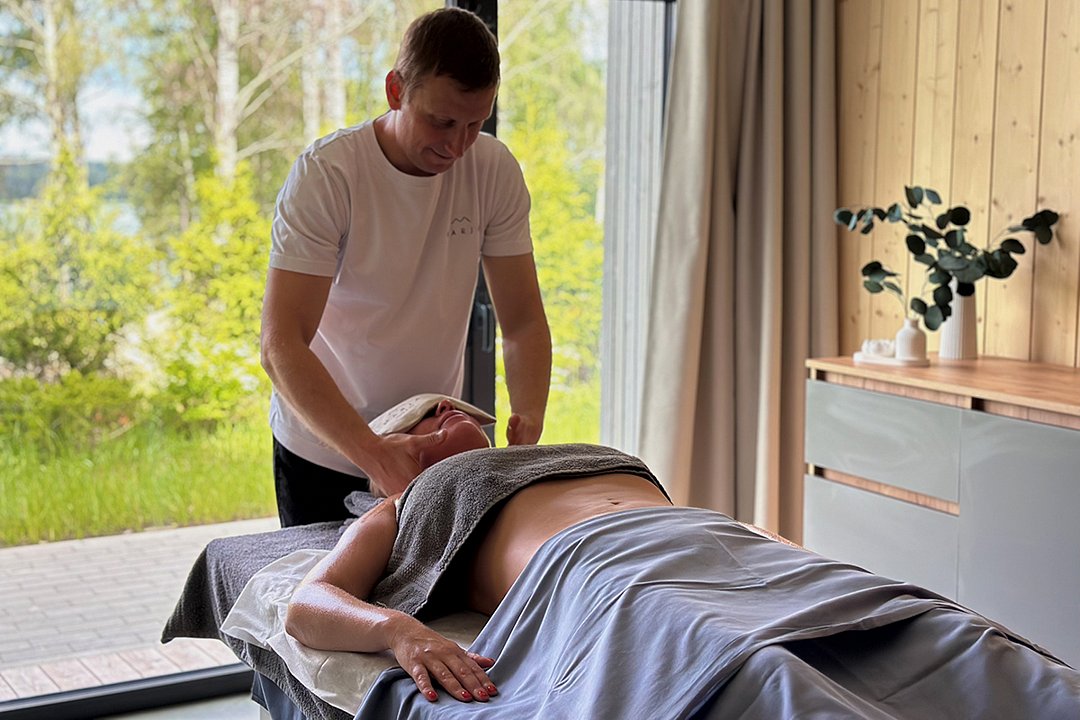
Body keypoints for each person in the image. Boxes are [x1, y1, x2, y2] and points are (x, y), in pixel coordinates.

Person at [284, 395, 1080, 718]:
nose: (453, 415)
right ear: (400, 448)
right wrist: (403, 633)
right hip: (601, 574)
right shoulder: (400, 505)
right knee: (761, 675)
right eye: (429, 417)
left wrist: (785, 554)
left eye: (453, 408)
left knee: (950, 641)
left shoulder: (573, 449)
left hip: (725, 544)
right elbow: (306, 606)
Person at [259, 6, 552, 528]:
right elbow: (281, 344)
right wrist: (371, 452)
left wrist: (528, 416)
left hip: (428, 451)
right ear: (396, 91)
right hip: (324, 449)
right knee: (326, 580)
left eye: (475, 123)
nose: (456, 145)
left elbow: (523, 320)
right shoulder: (328, 175)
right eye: (441, 122)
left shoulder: (493, 170)